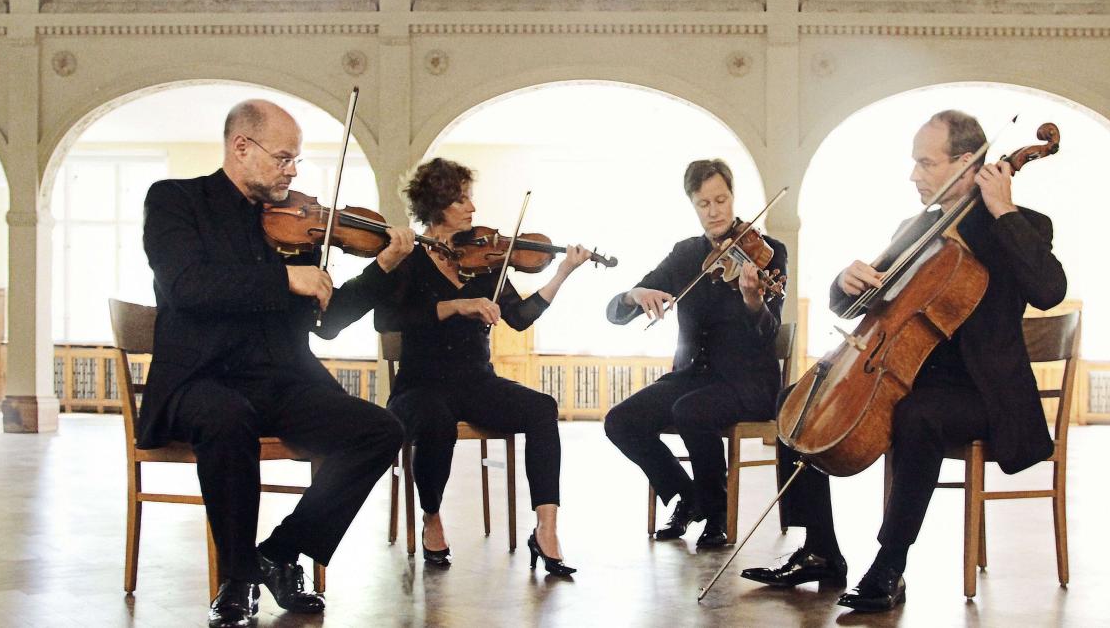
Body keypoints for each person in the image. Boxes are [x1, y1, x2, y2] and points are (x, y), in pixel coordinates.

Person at [740, 110, 1066, 613]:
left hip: (984, 395)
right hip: (903, 374)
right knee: (799, 400)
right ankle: (819, 550)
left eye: (925, 163)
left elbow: (1049, 291)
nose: (914, 175)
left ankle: (889, 566)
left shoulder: (1020, 225)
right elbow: (856, 304)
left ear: (967, 163)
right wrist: (845, 281)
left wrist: (1002, 209)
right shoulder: (915, 228)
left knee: (920, 416)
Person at [136, 99, 411, 627]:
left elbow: (327, 320)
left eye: (296, 160)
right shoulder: (176, 200)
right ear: (241, 147)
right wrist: (285, 278)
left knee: (380, 430)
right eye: (284, 158)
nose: (292, 171)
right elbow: (187, 285)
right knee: (227, 417)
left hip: (281, 382)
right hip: (201, 379)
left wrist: (383, 266)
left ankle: (279, 553)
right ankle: (237, 580)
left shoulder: (293, 225)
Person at [376, 157, 592, 574]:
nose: (472, 208)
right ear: (436, 205)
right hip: (419, 386)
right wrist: (457, 305)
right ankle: (432, 517)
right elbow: (386, 320)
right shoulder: (409, 259)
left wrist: (563, 272)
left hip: (477, 383)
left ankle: (546, 530)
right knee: (436, 421)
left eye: (469, 198)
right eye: (461, 200)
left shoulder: (485, 261)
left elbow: (520, 317)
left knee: (542, 408)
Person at [602, 159, 787, 550]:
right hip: (691, 376)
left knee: (691, 410)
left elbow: (770, 331)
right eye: (704, 204)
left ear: (733, 197)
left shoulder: (768, 253)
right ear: (693, 205)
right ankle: (686, 496)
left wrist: (754, 301)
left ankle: (716, 512)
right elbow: (616, 313)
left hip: (748, 382)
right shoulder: (685, 254)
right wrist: (634, 295)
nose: (714, 211)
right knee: (620, 421)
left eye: (721, 200)